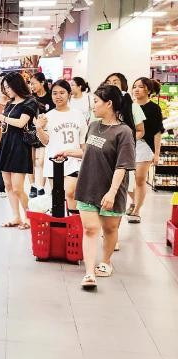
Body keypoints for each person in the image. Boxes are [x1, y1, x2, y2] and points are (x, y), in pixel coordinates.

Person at [54, 85, 135, 289]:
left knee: (110, 229)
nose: (93, 107)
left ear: (109, 104)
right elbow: (89, 151)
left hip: (111, 189)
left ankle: (106, 262)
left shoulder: (123, 132)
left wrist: (112, 192)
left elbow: (122, 165)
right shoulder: (94, 126)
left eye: (96, 102)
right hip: (88, 184)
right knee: (90, 229)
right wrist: (68, 152)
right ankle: (89, 273)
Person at [0, 72, 38, 230]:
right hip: (6, 144)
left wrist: (1, 117)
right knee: (8, 185)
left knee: (18, 187)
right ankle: (16, 216)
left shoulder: (30, 102)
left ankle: (29, 217)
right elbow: (8, 125)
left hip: (19, 147)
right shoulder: (10, 103)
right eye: (4, 88)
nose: (6, 90)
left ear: (17, 85)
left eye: (8, 87)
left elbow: (22, 123)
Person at [34, 80, 87, 212]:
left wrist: (86, 159)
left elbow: (83, 142)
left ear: (69, 94)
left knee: (70, 193)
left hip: (74, 160)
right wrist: (39, 128)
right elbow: (45, 141)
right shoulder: (47, 116)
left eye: (62, 93)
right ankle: (64, 226)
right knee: (58, 197)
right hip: (54, 162)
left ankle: (75, 225)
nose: (58, 96)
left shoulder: (78, 115)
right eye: (54, 93)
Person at [127, 77, 164, 223]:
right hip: (129, 145)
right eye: (134, 86)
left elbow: (157, 132)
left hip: (146, 146)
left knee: (140, 179)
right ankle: (134, 201)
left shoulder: (154, 108)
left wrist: (157, 153)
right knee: (126, 180)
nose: (136, 89)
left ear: (148, 90)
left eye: (140, 87)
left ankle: (136, 211)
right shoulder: (129, 106)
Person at [28, 72, 55, 198]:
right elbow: (27, 114)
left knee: (43, 161)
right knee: (30, 160)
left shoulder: (51, 98)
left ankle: (41, 186)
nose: (31, 86)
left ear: (42, 82)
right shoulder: (30, 98)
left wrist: (43, 125)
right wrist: (36, 123)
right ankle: (33, 185)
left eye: (33, 83)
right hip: (31, 130)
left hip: (46, 132)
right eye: (30, 84)